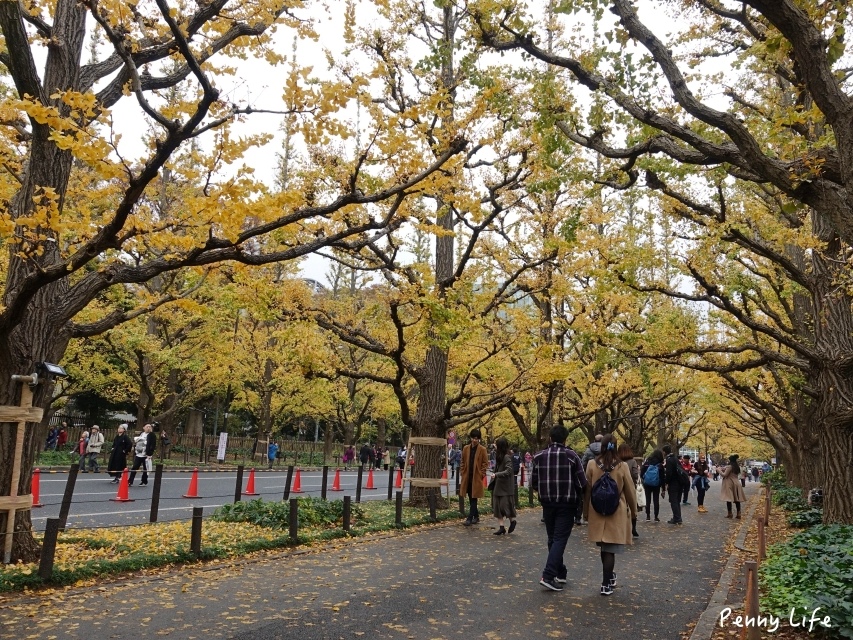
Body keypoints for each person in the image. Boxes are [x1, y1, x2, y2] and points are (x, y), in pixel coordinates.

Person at [531, 425, 587, 592]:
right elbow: (582, 482)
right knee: (559, 539)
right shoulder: (571, 456)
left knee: (552, 538)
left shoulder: (539, 457)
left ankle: (560, 572)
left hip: (547, 503)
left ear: (550, 438)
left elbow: (534, 482)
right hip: (567, 503)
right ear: (565, 439)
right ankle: (548, 575)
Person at [584, 433, 637, 596]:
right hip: (616, 510)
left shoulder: (592, 464)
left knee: (604, 547)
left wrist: (585, 511)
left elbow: (587, 490)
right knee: (610, 549)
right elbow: (630, 490)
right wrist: (634, 511)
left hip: (597, 510)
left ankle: (608, 578)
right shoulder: (622, 466)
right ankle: (606, 583)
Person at [459, 428, 489, 526]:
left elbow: (485, 463)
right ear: (471, 438)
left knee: (474, 497)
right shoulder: (466, 448)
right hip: (467, 476)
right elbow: (462, 461)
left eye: (476, 438)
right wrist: (462, 471)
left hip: (476, 477)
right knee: (470, 497)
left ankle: (470, 517)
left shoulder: (482, 449)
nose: (474, 440)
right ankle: (476, 516)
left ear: (479, 439)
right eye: (473, 438)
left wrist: (481, 473)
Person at [491, 437, 517, 535]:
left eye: (496, 445)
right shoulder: (499, 456)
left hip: (505, 487)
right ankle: (501, 527)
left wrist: (497, 474)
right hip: (498, 485)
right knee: (497, 507)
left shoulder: (506, 457)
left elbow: (509, 470)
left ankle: (512, 521)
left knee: (505, 506)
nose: (495, 446)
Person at [617, 443, 640, 537]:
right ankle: (633, 527)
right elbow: (635, 475)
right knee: (632, 506)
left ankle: (621, 526)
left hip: (619, 487)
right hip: (631, 486)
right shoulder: (632, 461)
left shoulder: (617, 461)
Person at [719, 454, 746, 519]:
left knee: (728, 498)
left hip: (729, 483)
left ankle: (730, 513)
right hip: (736, 482)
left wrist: (719, 470)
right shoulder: (736, 466)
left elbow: (725, 475)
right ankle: (739, 513)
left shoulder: (730, 466)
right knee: (737, 499)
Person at [661, 445, 683, 525]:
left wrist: (666, 482)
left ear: (664, 452)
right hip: (679, 482)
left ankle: (676, 518)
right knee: (677, 501)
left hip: (673, 483)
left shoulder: (669, 460)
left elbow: (669, 473)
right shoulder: (675, 459)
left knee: (673, 501)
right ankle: (678, 517)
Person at [641, 449, 664, 522]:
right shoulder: (660, 465)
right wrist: (663, 488)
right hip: (656, 484)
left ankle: (648, 516)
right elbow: (662, 477)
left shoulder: (647, 462)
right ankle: (656, 517)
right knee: (656, 500)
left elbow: (641, 472)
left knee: (648, 499)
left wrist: (644, 478)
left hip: (647, 483)